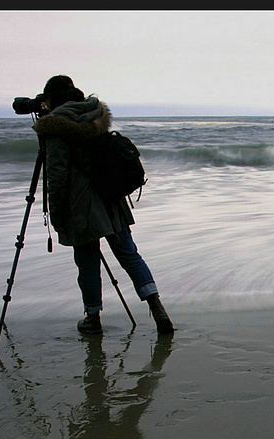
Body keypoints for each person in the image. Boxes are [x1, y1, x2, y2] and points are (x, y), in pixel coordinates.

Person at [31, 75, 173, 335]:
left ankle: (93, 318)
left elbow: (57, 175)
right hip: (111, 196)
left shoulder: (55, 127)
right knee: (129, 254)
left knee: (86, 261)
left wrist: (56, 213)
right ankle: (158, 308)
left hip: (81, 205)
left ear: (51, 100)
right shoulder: (92, 115)